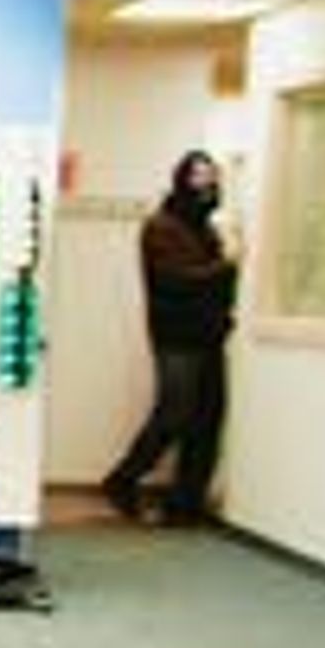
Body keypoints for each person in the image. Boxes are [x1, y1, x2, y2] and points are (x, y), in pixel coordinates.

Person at [105, 149, 237, 525]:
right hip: (176, 337)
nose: (207, 182)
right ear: (182, 179)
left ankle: (186, 502)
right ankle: (122, 480)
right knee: (174, 414)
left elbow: (210, 280)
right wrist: (226, 264)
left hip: (210, 335)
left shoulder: (207, 227)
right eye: (198, 175)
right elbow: (176, 280)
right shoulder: (161, 225)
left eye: (211, 175)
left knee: (208, 418)